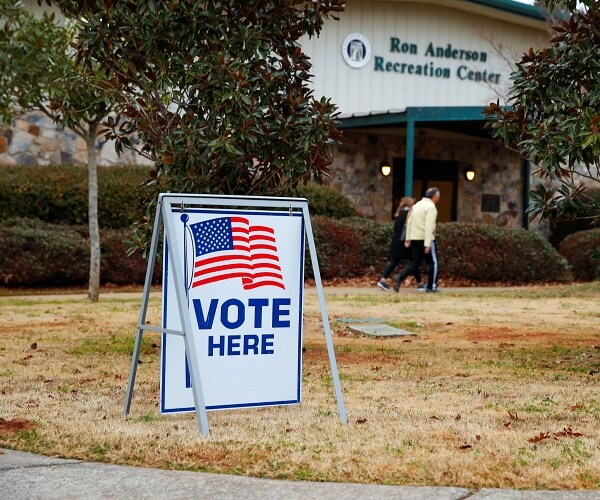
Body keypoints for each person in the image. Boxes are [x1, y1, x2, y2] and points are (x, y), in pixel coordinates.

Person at [393, 187, 440, 293]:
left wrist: (408, 238)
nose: (438, 198)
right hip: (425, 238)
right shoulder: (431, 207)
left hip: (415, 238)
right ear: (433, 197)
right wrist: (428, 243)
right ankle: (431, 286)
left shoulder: (416, 205)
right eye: (438, 196)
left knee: (415, 263)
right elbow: (429, 226)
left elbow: (409, 222)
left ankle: (400, 277)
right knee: (433, 263)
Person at [377, 197, 424, 291]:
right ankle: (420, 284)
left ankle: (382, 280)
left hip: (396, 242)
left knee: (394, 262)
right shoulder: (410, 214)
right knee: (414, 263)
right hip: (406, 242)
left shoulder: (398, 215)